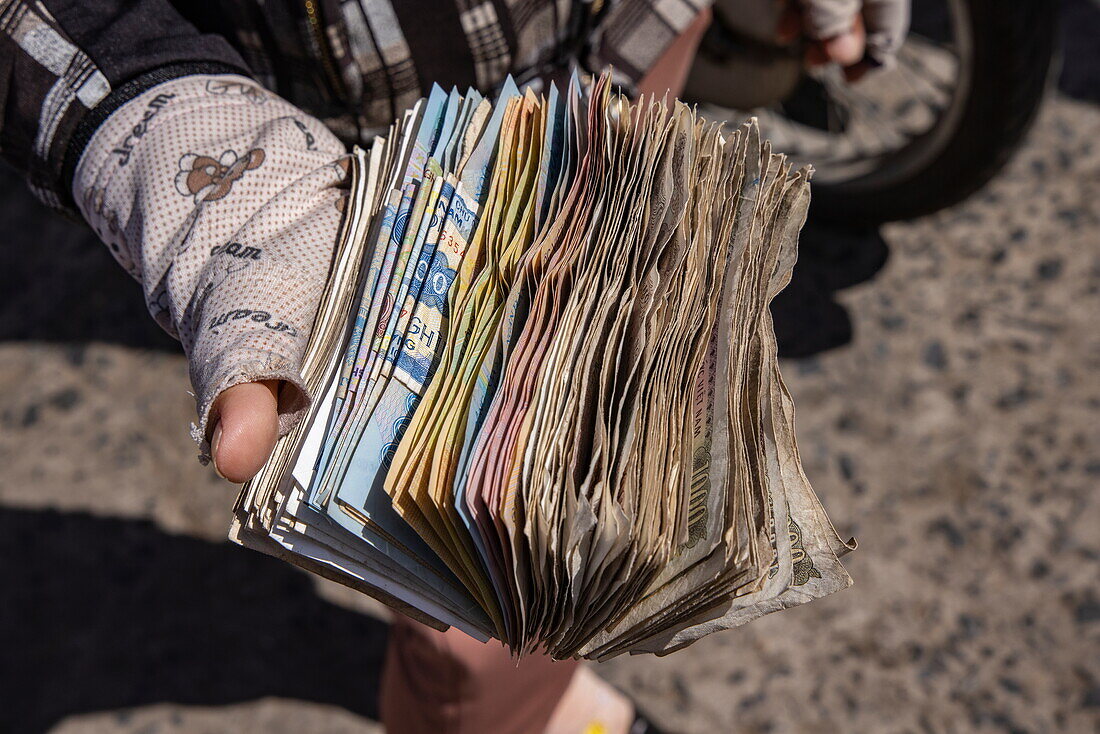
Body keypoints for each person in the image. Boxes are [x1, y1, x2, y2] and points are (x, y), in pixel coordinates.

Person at [0, 2, 906, 732]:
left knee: (601, 494)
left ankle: (531, 705)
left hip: (632, 47)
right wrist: (193, 143)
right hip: (344, 159)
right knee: (485, 588)